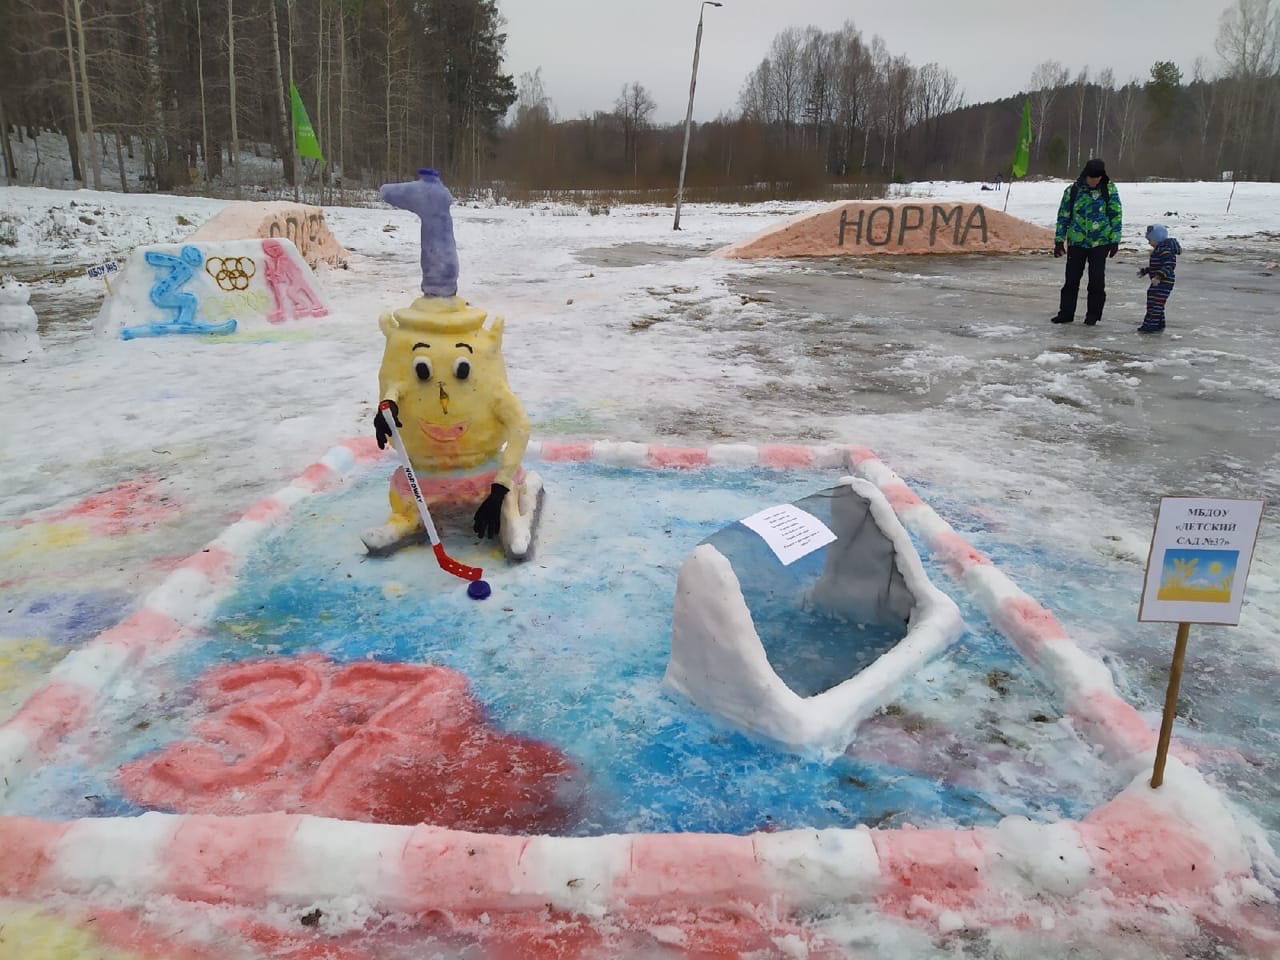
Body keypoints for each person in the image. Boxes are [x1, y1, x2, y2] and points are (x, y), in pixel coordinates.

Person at [1050, 158, 1123, 325]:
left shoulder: (1109, 190)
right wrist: (1059, 240)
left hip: (1100, 243)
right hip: (1077, 243)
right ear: (1086, 175)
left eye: (1097, 178)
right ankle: (1066, 313)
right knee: (1071, 280)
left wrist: (1114, 240)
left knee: (1097, 281)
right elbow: (1064, 216)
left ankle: (1093, 315)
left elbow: (1115, 215)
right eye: (1091, 177)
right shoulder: (1073, 190)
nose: (1094, 181)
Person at [1136, 224, 1181, 333]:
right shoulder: (1160, 249)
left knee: (1156, 303)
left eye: (1150, 240)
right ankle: (1159, 324)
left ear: (1157, 238)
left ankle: (1150, 326)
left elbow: (1169, 265)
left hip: (1164, 281)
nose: (1149, 242)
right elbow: (1157, 265)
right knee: (1153, 301)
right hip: (1158, 281)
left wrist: (1159, 275)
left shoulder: (1166, 250)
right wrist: (1146, 271)